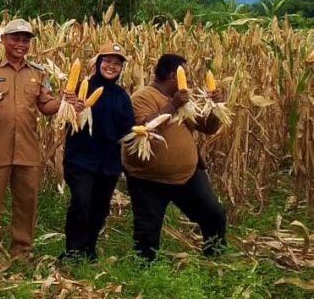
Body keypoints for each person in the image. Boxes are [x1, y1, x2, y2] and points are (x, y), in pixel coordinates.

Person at [0, 19, 75, 258]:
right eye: (15, 38)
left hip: (27, 149)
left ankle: (22, 249)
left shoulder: (38, 72)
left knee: (26, 202)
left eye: (26, 40)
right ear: (3, 40)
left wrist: (67, 101)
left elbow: (46, 106)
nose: (21, 44)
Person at [123, 53, 227, 261]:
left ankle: (214, 258)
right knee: (147, 232)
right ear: (172, 75)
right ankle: (145, 270)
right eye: (184, 75)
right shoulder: (143, 97)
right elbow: (143, 128)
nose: (187, 81)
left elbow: (207, 128)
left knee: (214, 215)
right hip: (148, 179)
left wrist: (216, 107)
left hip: (188, 175)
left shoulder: (183, 100)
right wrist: (172, 106)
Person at [62, 43, 133, 261]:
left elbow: (127, 128)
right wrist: (74, 110)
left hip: (109, 161)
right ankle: (73, 250)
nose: (111, 66)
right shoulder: (81, 88)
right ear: (98, 62)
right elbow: (64, 121)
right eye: (108, 61)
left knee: (100, 207)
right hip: (80, 158)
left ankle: (89, 248)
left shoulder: (122, 96)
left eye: (117, 63)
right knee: (81, 201)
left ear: (122, 68)